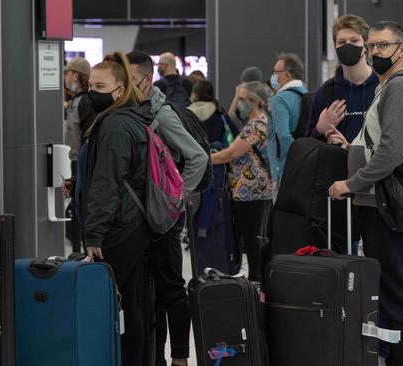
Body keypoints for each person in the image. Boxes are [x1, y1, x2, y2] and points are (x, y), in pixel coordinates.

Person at [327, 21, 403, 366]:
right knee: (390, 297)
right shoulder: (388, 87)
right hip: (381, 202)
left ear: (401, 49)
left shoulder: (400, 87)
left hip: (389, 204)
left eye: (383, 46)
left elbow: (391, 152)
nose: (375, 52)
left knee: (398, 299)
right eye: (371, 46)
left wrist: (351, 183)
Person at [127, 50, 209, 366]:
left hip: (164, 218)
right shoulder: (137, 111)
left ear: (147, 80)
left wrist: (175, 200)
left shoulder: (161, 114)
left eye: (131, 81)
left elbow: (198, 158)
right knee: (151, 292)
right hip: (147, 217)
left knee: (170, 287)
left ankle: (179, 357)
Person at [79, 51, 153, 366]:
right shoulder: (131, 118)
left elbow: (107, 183)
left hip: (117, 228)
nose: (91, 92)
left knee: (108, 303)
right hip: (134, 224)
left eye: (99, 86)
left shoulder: (114, 125)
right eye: (90, 85)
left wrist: (94, 235)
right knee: (131, 302)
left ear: (119, 91)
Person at [211, 81, 273, 282]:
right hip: (257, 190)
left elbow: (230, 154)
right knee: (254, 238)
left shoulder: (254, 127)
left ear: (254, 101)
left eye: (242, 99)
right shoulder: (262, 121)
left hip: (250, 192)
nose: (239, 103)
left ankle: (256, 281)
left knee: (252, 239)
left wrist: (204, 159)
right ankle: (257, 278)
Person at [306, 14, 379, 143]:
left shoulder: (382, 87)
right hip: (335, 162)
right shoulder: (325, 93)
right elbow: (309, 146)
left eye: (354, 40)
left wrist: (351, 150)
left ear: (366, 45)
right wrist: (320, 129)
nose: (348, 46)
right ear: (335, 46)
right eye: (342, 42)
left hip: (373, 163)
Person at [267, 52, 308, 187]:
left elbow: (283, 136)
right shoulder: (306, 94)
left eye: (276, 72)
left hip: (283, 168)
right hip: (305, 165)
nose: (274, 76)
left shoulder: (279, 99)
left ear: (287, 74)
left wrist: (295, 159)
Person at [188, 79, 239, 145]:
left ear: (195, 95)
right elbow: (236, 133)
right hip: (218, 152)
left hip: (194, 153)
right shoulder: (219, 111)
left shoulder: (187, 113)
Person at [63, 57, 95, 158]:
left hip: (80, 161)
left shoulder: (86, 101)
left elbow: (87, 137)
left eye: (67, 74)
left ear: (75, 76)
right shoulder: (77, 99)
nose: (65, 78)